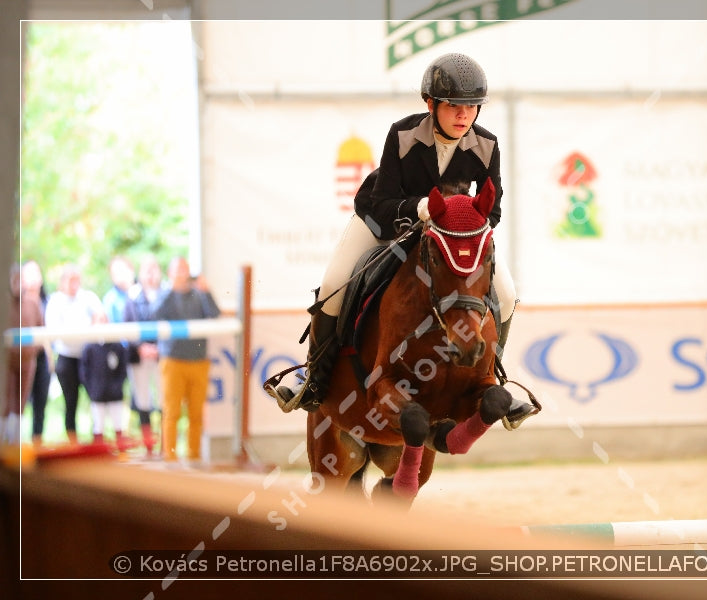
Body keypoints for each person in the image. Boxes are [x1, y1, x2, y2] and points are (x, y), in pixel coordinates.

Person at [276, 52, 535, 426]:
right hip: (386, 223)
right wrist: (419, 210)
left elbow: (491, 213)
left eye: (472, 107)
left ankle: (494, 377)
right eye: (453, 106)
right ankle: (313, 378)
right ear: (430, 104)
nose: (464, 115)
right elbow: (381, 202)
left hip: (449, 235)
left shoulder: (487, 145)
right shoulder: (403, 134)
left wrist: (453, 218)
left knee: (507, 294)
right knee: (333, 284)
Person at [151, 257, 220, 462]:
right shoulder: (165, 295)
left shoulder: (199, 295)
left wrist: (207, 291)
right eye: (178, 269)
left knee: (196, 414)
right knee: (171, 412)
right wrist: (172, 289)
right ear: (169, 273)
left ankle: (194, 456)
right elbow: (153, 314)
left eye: (185, 269)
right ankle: (169, 456)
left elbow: (214, 314)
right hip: (173, 361)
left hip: (199, 361)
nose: (182, 273)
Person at [44, 264, 104, 444]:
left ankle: (98, 440)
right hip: (66, 358)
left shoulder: (88, 297)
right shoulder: (55, 301)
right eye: (70, 280)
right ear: (62, 282)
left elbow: (100, 316)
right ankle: (73, 442)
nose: (74, 284)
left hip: (88, 357)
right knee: (71, 402)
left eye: (77, 279)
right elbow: (52, 330)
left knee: (97, 397)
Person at [123, 255, 162, 456]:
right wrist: (141, 347)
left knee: (164, 398)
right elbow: (127, 325)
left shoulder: (165, 295)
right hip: (138, 357)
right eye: (147, 269)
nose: (150, 273)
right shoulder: (132, 296)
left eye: (154, 268)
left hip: (161, 356)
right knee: (142, 398)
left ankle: (165, 444)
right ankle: (148, 446)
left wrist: (159, 348)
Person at [3, 264, 44, 445]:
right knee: (6, 402)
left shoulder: (33, 304)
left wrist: (32, 350)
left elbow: (41, 331)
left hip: (28, 362)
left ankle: (16, 441)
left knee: (21, 403)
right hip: (6, 363)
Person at [78, 311, 130, 449]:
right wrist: (92, 390)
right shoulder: (89, 347)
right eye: (99, 320)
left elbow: (123, 369)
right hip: (97, 395)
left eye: (105, 320)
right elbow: (84, 372)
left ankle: (121, 453)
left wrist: (118, 386)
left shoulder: (117, 346)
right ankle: (98, 454)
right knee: (98, 425)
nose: (102, 323)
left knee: (118, 424)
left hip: (115, 394)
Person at [20, 260, 51, 447]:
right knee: (20, 404)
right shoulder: (18, 303)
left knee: (41, 404)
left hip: (43, 359)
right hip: (23, 358)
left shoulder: (48, 302)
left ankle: (37, 443)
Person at [102, 255, 135, 325]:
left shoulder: (143, 291)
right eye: (115, 273)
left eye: (122, 271)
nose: (120, 276)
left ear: (131, 269)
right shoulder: (110, 299)